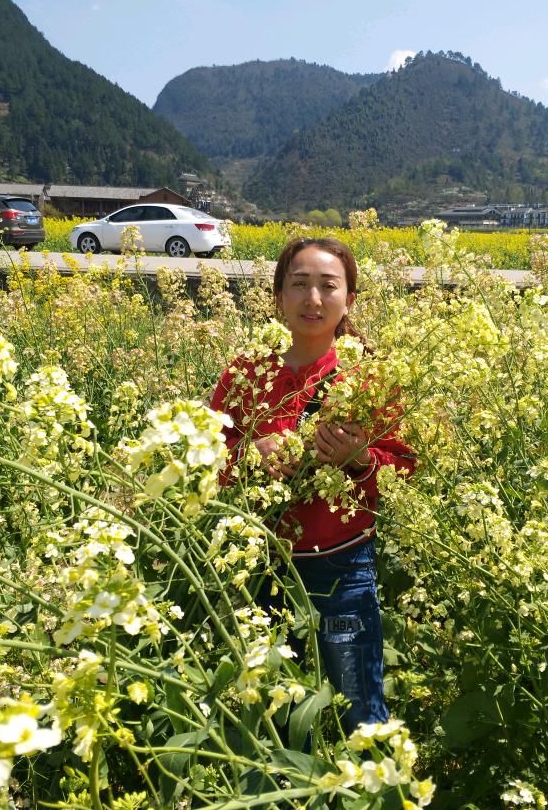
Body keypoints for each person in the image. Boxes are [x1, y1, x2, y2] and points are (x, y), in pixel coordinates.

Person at [211, 237, 415, 733]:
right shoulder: (246, 372)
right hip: (262, 568)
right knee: (269, 717)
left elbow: (403, 468)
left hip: (341, 568)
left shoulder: (368, 375)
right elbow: (207, 454)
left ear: (350, 298)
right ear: (278, 295)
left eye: (328, 286)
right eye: (299, 285)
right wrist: (248, 454)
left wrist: (358, 457)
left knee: (360, 715)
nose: (313, 299)